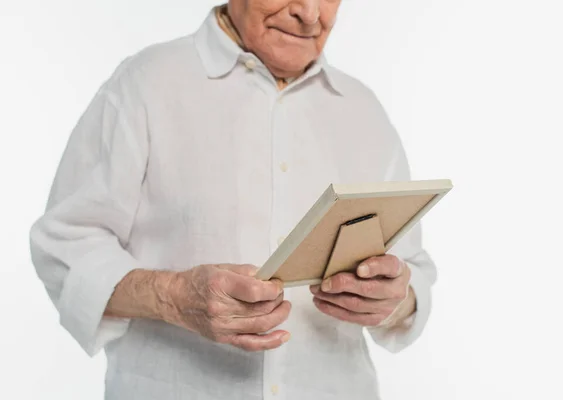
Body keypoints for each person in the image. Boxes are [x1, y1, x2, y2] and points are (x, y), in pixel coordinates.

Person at [29, 1, 438, 399]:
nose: (310, 13)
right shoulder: (146, 82)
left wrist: (395, 298)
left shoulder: (364, 109)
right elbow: (65, 246)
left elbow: (413, 270)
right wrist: (173, 296)